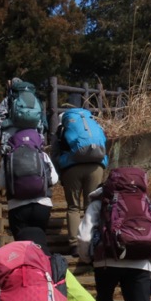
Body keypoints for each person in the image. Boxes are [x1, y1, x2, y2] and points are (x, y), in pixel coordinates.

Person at [51, 102, 109, 258]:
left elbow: (55, 153)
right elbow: (103, 143)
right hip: (96, 167)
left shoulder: (62, 129)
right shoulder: (92, 125)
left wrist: (60, 173)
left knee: (73, 207)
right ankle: (91, 242)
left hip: (72, 168)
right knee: (91, 205)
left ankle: (74, 245)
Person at [0, 133, 58, 237]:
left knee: (22, 244)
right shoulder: (42, 155)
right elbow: (54, 179)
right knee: (39, 242)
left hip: (17, 207)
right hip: (42, 205)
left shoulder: (8, 157)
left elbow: (1, 183)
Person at [0, 77, 47, 153]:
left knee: (7, 155)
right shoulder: (35, 99)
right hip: (33, 133)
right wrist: (41, 136)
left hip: (11, 133)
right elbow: (41, 119)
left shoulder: (9, 99)